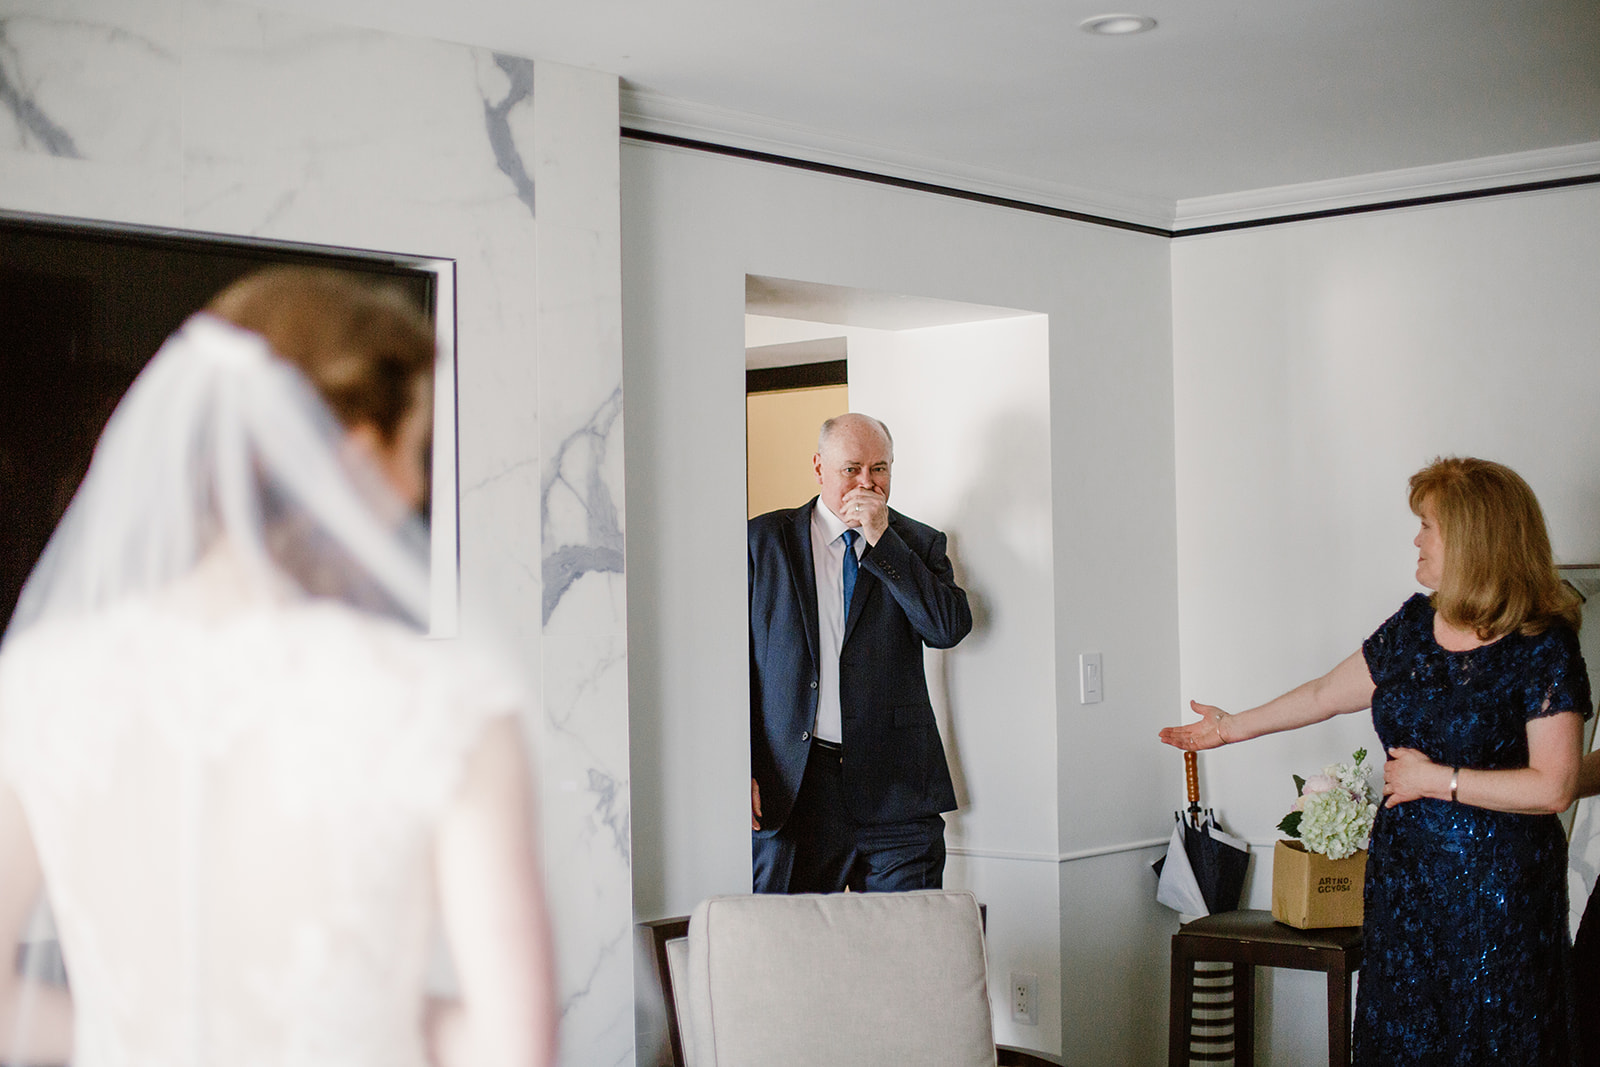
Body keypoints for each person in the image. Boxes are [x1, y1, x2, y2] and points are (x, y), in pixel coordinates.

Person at [0, 268, 557, 1067]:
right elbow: (515, 1051)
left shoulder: (40, 685)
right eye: (417, 449)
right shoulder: (443, 703)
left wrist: (153, 1023)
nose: (418, 486)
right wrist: (368, 1019)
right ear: (360, 453)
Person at [1160, 456, 1589, 1066]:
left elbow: (1555, 786)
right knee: (1404, 1038)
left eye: (1430, 525)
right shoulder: (1414, 625)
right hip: (1405, 886)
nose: (1417, 538)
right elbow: (1321, 695)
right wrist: (1229, 729)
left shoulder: (1543, 645)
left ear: (1474, 537)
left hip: (1500, 897)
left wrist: (1435, 780)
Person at [748, 412, 972, 894]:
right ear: (818, 467)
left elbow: (948, 628)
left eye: (880, 468)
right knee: (791, 951)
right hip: (795, 789)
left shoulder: (918, 542)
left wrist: (882, 543)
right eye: (851, 469)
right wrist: (739, 765)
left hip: (898, 794)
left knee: (907, 950)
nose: (866, 483)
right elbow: (729, 668)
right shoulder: (762, 542)